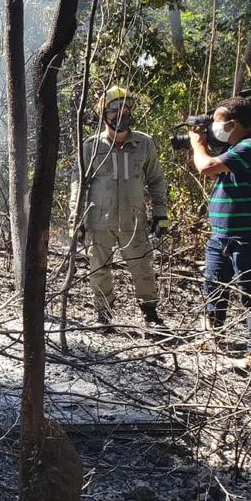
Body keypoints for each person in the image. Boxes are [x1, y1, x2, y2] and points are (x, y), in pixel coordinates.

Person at [72, 86, 170, 330]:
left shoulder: (144, 143)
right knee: (99, 270)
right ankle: (103, 315)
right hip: (99, 220)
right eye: (116, 110)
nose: (122, 114)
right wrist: (76, 219)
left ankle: (150, 314)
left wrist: (161, 214)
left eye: (127, 108)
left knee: (143, 267)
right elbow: (78, 183)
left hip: (134, 219)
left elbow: (156, 180)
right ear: (104, 115)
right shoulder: (91, 146)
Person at [190, 96, 251, 349]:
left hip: (250, 236)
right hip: (222, 235)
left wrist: (197, 144)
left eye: (218, 123)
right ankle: (211, 337)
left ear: (234, 123)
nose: (214, 129)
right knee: (213, 286)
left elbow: (206, 167)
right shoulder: (234, 150)